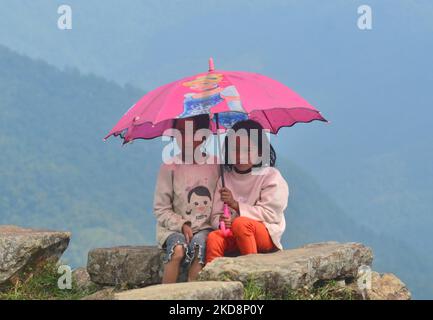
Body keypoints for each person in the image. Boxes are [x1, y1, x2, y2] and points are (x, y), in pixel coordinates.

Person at [206, 120, 289, 263]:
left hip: (265, 234)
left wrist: (235, 205)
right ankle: (212, 282)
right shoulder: (225, 179)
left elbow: (271, 215)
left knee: (241, 224)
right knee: (214, 238)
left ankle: (252, 273)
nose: (240, 155)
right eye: (235, 149)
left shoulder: (270, 176)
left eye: (247, 150)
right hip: (234, 233)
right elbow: (215, 216)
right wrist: (222, 222)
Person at [154, 114, 218, 282]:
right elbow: (161, 209)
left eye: (192, 131)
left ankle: (192, 294)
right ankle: (165, 295)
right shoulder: (169, 167)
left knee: (199, 247)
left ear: (204, 135)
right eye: (180, 131)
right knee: (177, 250)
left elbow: (221, 201)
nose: (185, 137)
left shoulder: (216, 166)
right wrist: (181, 225)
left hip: (205, 227)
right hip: (174, 229)